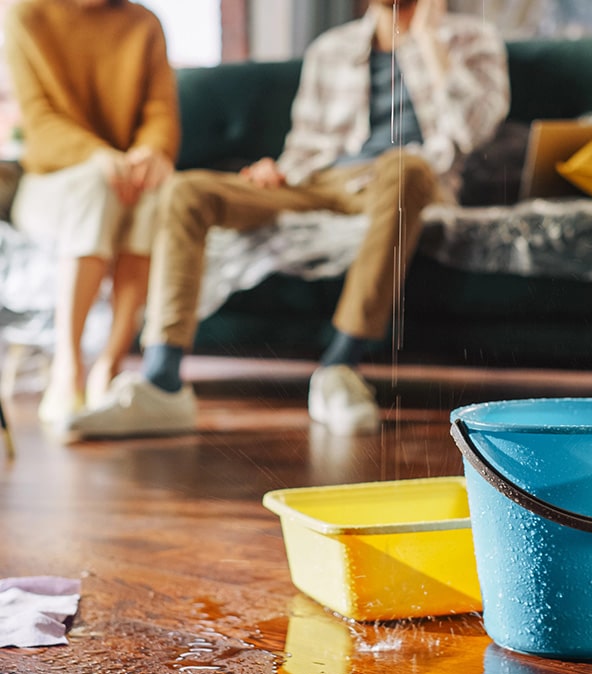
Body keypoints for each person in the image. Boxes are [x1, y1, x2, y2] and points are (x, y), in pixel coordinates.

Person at [67, 0, 510, 439]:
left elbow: (469, 132)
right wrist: (278, 169)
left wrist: (429, 41)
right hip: (320, 180)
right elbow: (306, 143)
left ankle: (339, 367)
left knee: (404, 167)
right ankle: (162, 382)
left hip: (404, 179)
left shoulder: (471, 40)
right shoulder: (331, 49)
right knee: (187, 191)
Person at [4, 0, 180, 426]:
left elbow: (161, 111)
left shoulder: (144, 23)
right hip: (51, 184)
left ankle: (110, 364)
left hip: (126, 182)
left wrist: (150, 152)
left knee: (162, 193)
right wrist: (98, 155)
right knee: (96, 185)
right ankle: (69, 367)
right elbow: (39, 121)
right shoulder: (27, 15)